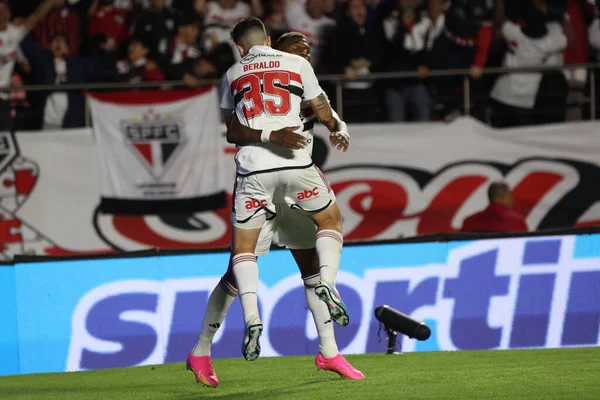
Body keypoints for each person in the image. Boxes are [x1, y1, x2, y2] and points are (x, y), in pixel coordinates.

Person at [185, 31, 364, 387]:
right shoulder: (269, 77)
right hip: (271, 181)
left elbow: (331, 115)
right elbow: (233, 128)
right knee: (236, 274)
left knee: (309, 267)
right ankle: (201, 350)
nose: (305, 54)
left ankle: (329, 353)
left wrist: (339, 127)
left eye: (308, 50)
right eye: (299, 49)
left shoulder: (299, 79)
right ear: (274, 49)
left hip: (287, 186)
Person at [0, 0, 58, 131]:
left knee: (5, 137)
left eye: (4, 10)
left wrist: (49, 2)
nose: (1, 14)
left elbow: (35, 18)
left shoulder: (14, 33)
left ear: (9, 13)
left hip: (4, 97)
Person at [461, 182, 528, 233]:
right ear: (503, 198)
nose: (512, 200)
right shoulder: (517, 222)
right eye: (510, 196)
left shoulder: (469, 222)